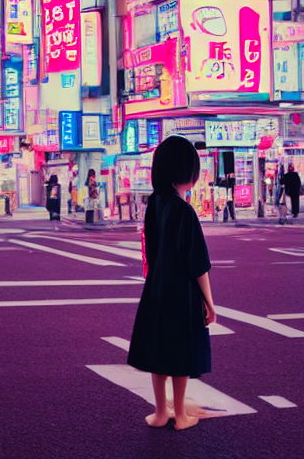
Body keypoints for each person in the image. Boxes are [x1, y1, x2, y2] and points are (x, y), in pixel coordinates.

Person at [128, 136, 215, 431]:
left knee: (159, 352)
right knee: (181, 354)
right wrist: (210, 302)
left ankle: (160, 412)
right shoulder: (184, 211)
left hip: (157, 288)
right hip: (183, 292)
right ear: (187, 172)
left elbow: (150, 252)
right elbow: (198, 263)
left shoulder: (155, 205)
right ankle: (180, 414)